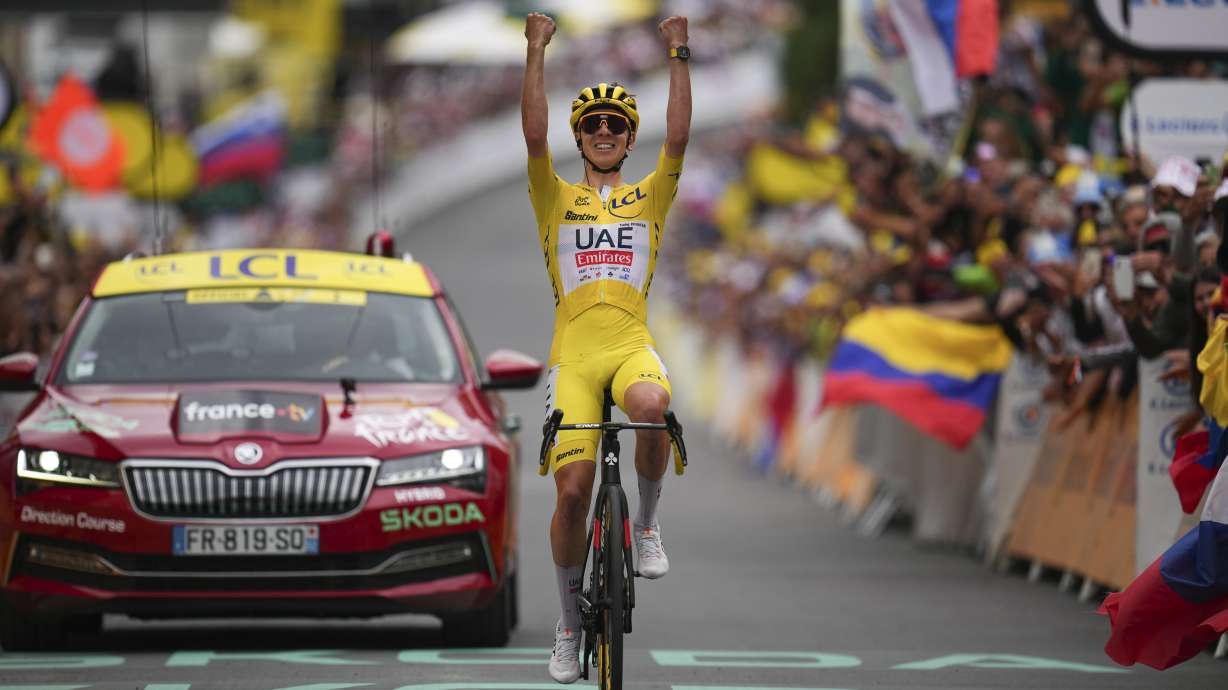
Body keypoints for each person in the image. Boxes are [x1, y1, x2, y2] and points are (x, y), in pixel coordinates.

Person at [521, 11, 691, 684]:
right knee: (572, 494)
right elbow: (532, 132)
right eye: (591, 124)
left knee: (653, 404)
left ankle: (645, 525)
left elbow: (680, 135)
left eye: (614, 125)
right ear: (579, 137)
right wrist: (535, 50)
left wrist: (678, 51)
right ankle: (568, 625)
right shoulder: (554, 197)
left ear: (627, 139)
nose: (602, 131)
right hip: (573, 358)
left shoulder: (649, 198)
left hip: (628, 346)